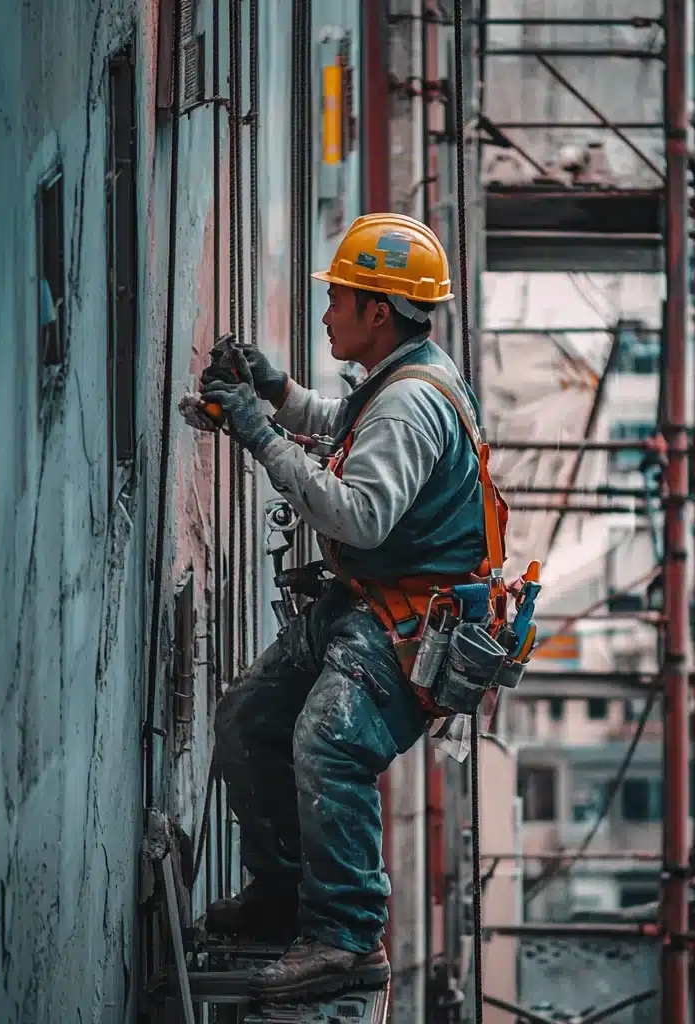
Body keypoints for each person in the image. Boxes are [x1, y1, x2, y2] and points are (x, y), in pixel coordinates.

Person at [192, 214, 502, 1001]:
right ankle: (283, 900)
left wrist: (261, 433)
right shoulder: (406, 375)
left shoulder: (408, 402)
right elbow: (345, 427)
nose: (327, 311)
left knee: (329, 742)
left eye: (339, 300)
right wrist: (278, 394)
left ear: (380, 312)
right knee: (250, 718)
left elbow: (359, 514)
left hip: (406, 625)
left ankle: (345, 938)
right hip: (368, 602)